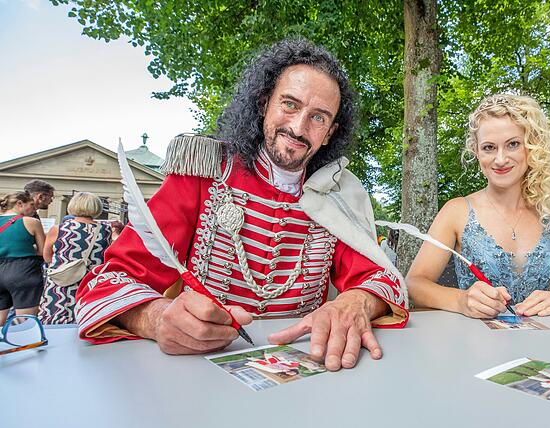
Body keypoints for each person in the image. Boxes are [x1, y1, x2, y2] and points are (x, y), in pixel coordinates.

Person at [75, 38, 408, 371]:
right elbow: (106, 284)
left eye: (318, 118)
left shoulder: (338, 196)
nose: (299, 126)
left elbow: (384, 280)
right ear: (264, 103)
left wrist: (355, 303)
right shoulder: (202, 172)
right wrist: (155, 318)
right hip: (193, 375)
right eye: (289, 104)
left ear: (331, 133)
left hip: (307, 375)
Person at [406, 94, 550, 318]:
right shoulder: (456, 211)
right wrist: (460, 301)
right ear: (477, 153)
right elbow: (415, 283)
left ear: (531, 147)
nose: (500, 159)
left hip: (545, 342)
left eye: (513, 144)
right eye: (489, 147)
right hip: (475, 342)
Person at [38, 192, 112, 325]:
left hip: (61, 283)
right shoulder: (106, 230)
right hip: (91, 283)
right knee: (87, 321)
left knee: (56, 323)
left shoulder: (58, 229)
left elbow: (47, 257)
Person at [0, 191, 46, 326]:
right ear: (20, 204)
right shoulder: (31, 222)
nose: (34, 209)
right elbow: (42, 251)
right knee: (24, 323)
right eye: (31, 205)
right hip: (23, 271)